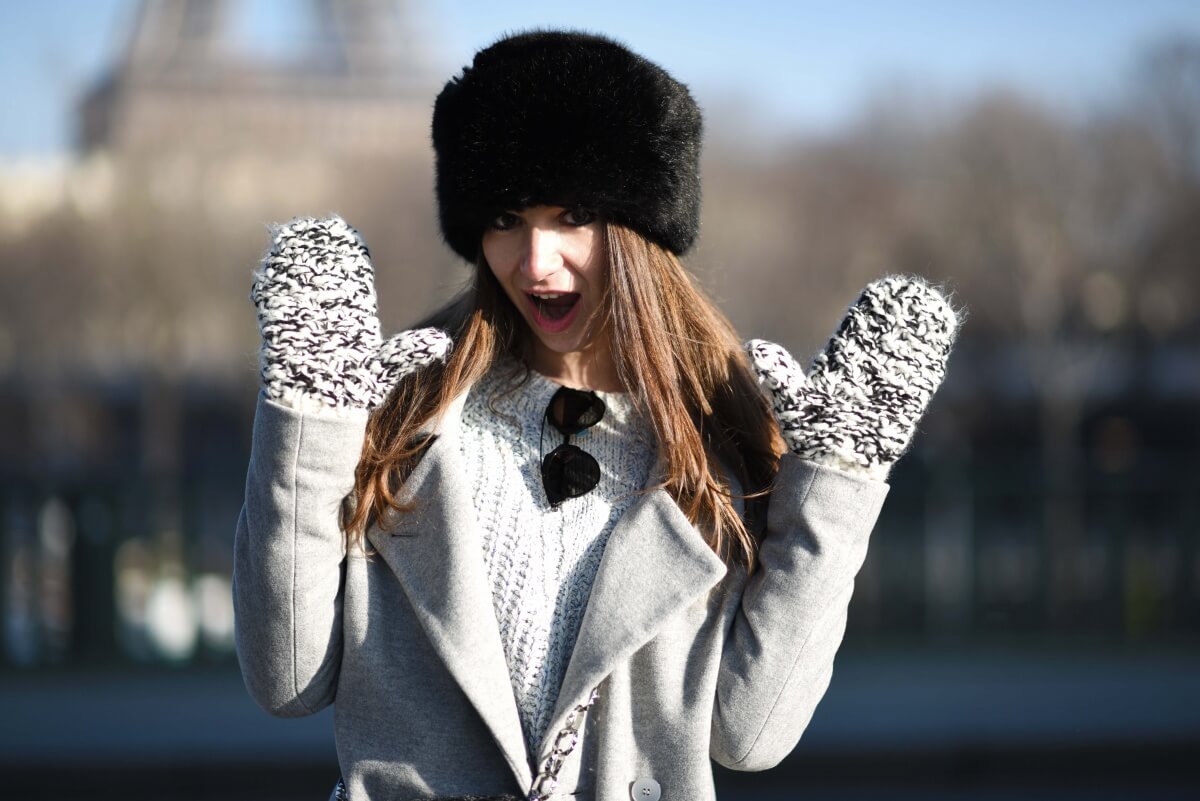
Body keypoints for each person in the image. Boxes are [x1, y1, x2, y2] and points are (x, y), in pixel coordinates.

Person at [234, 30, 959, 801]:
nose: (535, 260)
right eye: (507, 217)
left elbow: (752, 733)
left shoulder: (714, 448)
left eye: (573, 214)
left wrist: (840, 474)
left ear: (643, 234)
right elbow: (287, 679)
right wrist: (307, 414)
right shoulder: (398, 418)